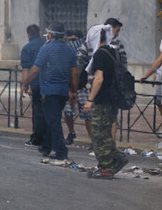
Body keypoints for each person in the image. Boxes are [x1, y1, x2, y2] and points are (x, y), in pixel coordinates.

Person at [21, 22, 78, 161]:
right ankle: (46, 146)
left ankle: (61, 150)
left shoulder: (46, 49)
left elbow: (35, 70)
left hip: (49, 90)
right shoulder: (70, 51)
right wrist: (73, 92)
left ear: (51, 35)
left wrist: (25, 84)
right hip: (63, 92)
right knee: (53, 118)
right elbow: (74, 74)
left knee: (53, 121)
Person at [83, 29, 128, 179]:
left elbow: (99, 78)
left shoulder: (100, 54)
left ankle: (106, 167)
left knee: (98, 134)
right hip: (113, 98)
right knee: (106, 132)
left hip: (103, 100)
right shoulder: (113, 52)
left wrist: (90, 100)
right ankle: (117, 157)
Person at [62, 29, 92, 147]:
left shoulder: (85, 53)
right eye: (70, 40)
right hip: (68, 88)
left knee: (87, 114)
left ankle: (92, 139)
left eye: (74, 40)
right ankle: (71, 133)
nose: (71, 42)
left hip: (82, 88)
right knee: (68, 112)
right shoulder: (67, 53)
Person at [21, 24, 46, 146]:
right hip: (49, 83)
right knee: (49, 112)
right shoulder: (46, 44)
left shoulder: (27, 48)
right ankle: (48, 136)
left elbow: (26, 70)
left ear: (28, 34)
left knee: (37, 112)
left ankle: (37, 137)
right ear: (39, 32)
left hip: (36, 84)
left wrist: (25, 85)